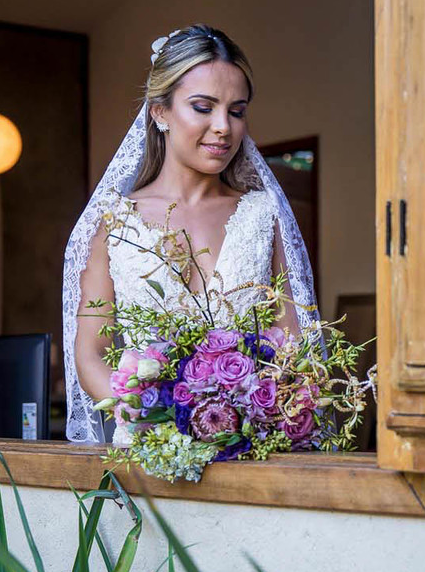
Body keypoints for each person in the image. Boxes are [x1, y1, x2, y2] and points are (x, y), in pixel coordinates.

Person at [62, 24, 321, 445]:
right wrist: (154, 418)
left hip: (248, 448)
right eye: (203, 107)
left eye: (237, 112)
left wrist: (254, 415)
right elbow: (90, 352)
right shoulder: (114, 223)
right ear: (159, 111)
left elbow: (292, 344)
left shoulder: (261, 215)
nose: (224, 127)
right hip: (151, 451)